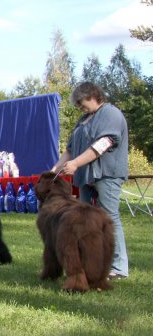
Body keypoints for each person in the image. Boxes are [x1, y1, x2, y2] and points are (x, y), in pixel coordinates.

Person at [52, 82, 129, 280]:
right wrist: (54, 169)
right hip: (86, 176)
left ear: (94, 96)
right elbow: (70, 149)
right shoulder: (83, 119)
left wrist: (76, 163)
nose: (80, 107)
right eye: (77, 104)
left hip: (106, 174)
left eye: (81, 102)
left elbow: (103, 144)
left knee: (109, 217)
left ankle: (119, 267)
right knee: (86, 221)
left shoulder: (111, 114)